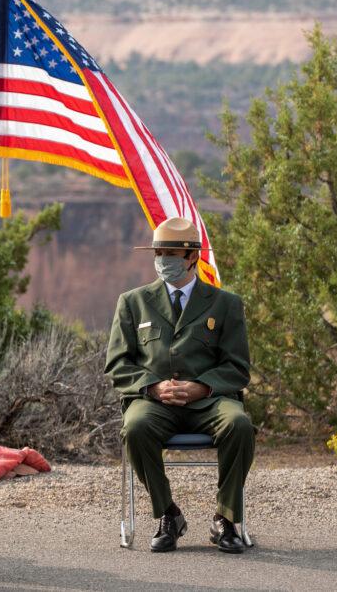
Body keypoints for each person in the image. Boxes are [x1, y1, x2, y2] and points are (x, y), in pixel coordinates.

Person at [105, 217, 254, 554]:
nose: (162, 260)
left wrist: (202, 387)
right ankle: (168, 515)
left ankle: (226, 520)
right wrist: (154, 387)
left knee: (239, 424)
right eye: (158, 252)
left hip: (209, 402)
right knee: (136, 427)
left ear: (191, 257)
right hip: (155, 402)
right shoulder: (133, 302)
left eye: (169, 253)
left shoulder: (225, 304)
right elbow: (117, 364)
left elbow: (238, 367)